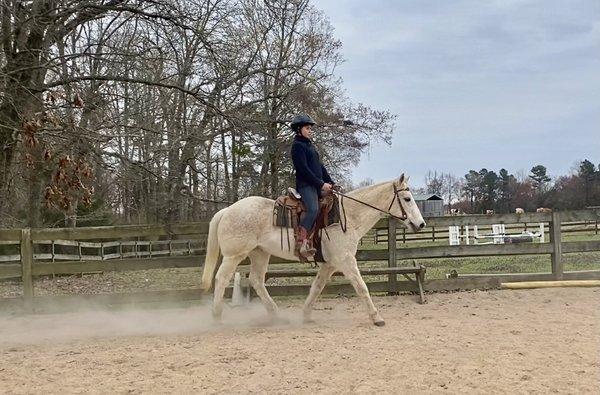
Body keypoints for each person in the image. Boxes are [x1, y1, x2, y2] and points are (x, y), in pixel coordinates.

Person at [290, 114, 335, 259]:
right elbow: (303, 169)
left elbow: (320, 167)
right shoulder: (297, 146)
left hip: (316, 185)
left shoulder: (310, 146)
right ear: (299, 129)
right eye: (307, 128)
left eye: (310, 128)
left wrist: (330, 182)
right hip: (306, 185)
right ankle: (300, 241)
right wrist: (321, 183)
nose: (310, 131)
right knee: (313, 209)